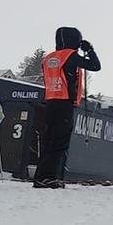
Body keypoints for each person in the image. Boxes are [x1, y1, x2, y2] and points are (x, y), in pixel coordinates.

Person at [34, 26, 101, 189]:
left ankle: (40, 176)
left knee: (48, 141)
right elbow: (95, 66)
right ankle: (50, 177)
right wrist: (90, 50)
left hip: (50, 101)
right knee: (60, 143)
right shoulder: (71, 56)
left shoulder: (48, 58)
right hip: (65, 102)